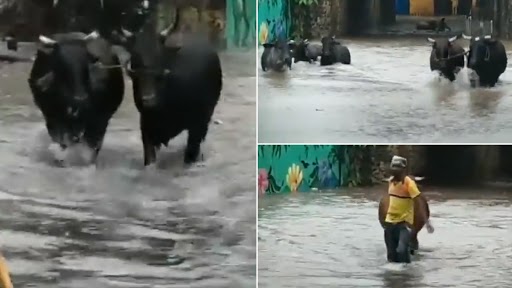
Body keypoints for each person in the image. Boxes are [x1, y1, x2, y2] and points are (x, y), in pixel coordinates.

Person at [384, 155, 434, 263]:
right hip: (389, 223)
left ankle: (407, 275)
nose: (394, 169)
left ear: (403, 170)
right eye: (393, 167)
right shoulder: (391, 182)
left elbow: (419, 202)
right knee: (391, 256)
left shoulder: (409, 184)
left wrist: (427, 222)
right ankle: (396, 278)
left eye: (397, 167)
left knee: (402, 251)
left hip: (404, 224)